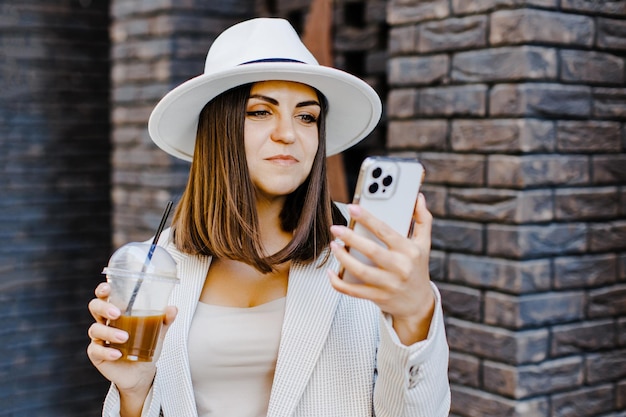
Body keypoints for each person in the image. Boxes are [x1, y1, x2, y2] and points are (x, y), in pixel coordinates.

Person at [87, 17, 450, 417]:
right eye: (261, 112)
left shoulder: (361, 248)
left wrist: (415, 314)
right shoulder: (162, 263)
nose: (288, 133)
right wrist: (134, 393)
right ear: (218, 129)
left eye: (306, 116)